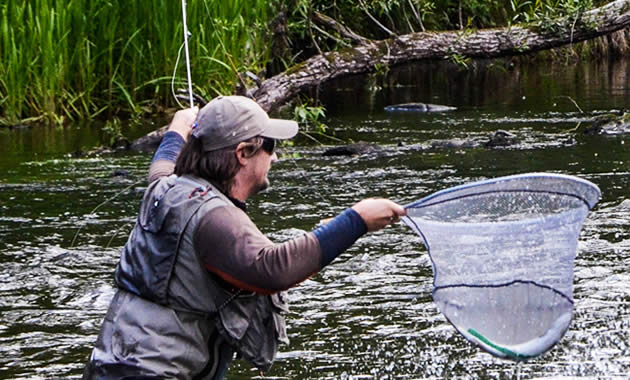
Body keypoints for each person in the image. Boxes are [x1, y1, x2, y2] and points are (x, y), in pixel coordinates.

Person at [83, 95, 406, 379]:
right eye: (271, 147)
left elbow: (163, 162)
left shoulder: (165, 189)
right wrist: (357, 220)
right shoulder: (214, 217)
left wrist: (178, 126)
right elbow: (271, 269)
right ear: (243, 152)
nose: (275, 158)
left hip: (111, 363)